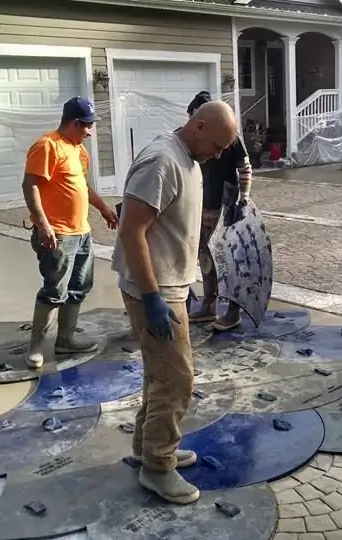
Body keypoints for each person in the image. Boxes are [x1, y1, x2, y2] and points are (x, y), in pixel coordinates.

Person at [112, 100, 238, 504]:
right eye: (217, 146)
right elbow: (132, 231)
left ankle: (147, 448)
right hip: (155, 291)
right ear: (198, 126)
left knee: (160, 374)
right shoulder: (162, 162)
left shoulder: (188, 158)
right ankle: (157, 467)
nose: (217, 155)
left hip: (170, 286)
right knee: (177, 379)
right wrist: (151, 299)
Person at [21, 97, 119, 370]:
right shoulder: (47, 146)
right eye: (87, 126)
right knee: (54, 290)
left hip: (82, 232)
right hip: (58, 235)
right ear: (75, 122)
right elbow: (30, 186)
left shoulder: (78, 150)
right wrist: (43, 225)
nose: (90, 131)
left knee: (79, 287)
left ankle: (65, 340)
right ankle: (36, 348)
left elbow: (83, 187)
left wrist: (103, 209)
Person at [184, 91, 254, 331]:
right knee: (205, 257)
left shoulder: (229, 136)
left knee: (228, 259)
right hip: (203, 204)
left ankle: (233, 312)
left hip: (225, 206)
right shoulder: (193, 138)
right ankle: (209, 305)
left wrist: (243, 198)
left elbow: (244, 167)